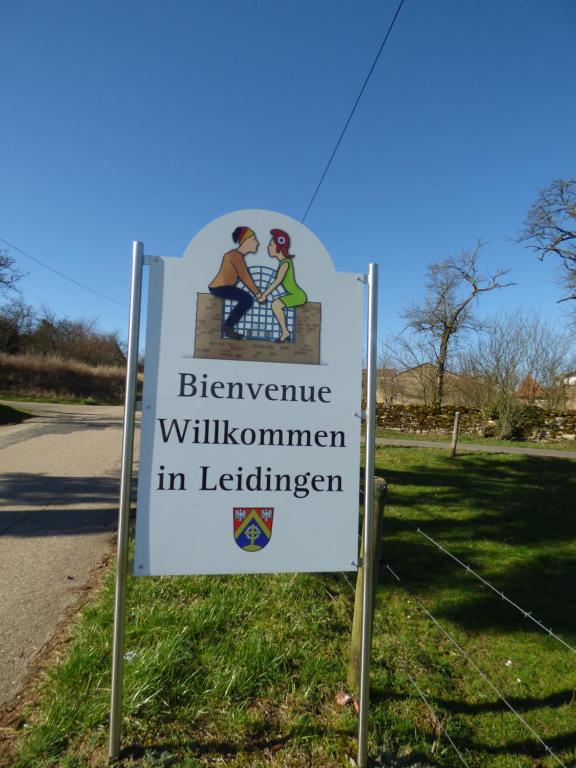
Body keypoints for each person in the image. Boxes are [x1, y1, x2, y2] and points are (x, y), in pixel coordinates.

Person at [209, 227, 262, 339]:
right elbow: (245, 276)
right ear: (245, 241)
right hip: (218, 287)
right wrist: (258, 294)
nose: (257, 243)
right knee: (247, 299)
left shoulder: (238, 256)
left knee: (246, 299)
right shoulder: (233, 256)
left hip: (224, 287)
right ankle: (228, 327)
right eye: (253, 239)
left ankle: (228, 326)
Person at [258, 229, 307, 342]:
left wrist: (264, 295)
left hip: (298, 295)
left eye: (271, 244)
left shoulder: (285, 263)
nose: (268, 247)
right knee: (276, 304)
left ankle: (285, 332)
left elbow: (278, 281)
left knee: (275, 304)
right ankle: (285, 332)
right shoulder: (283, 263)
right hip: (294, 294)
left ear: (278, 247)